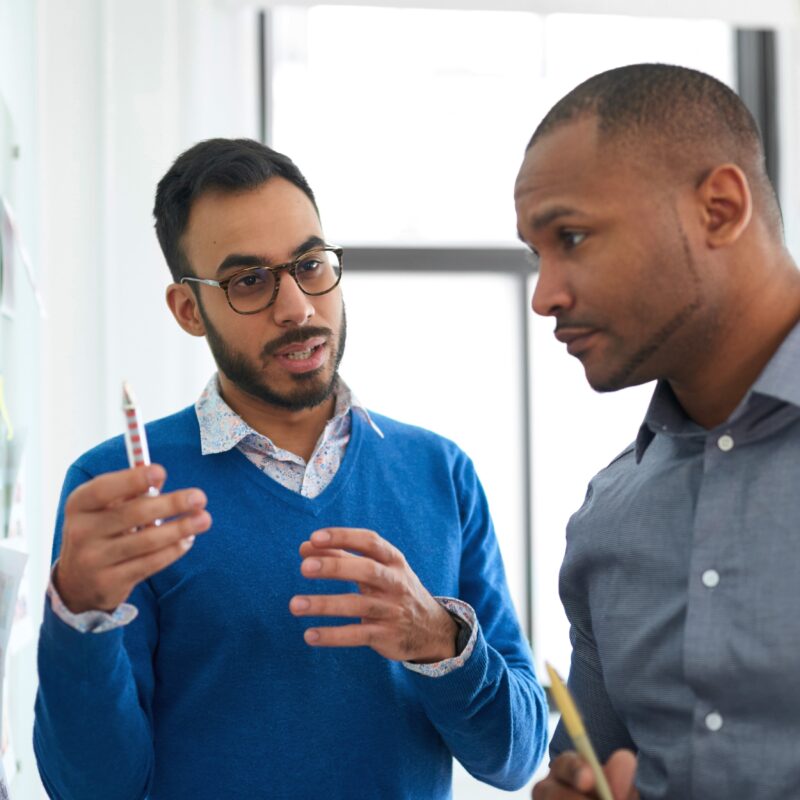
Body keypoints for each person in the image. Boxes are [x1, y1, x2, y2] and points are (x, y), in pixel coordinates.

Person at [34, 138, 548, 799]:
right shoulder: (120, 494)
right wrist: (79, 613)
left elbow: (517, 757)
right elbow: (94, 791)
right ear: (189, 310)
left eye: (310, 264)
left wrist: (437, 638)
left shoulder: (440, 473)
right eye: (249, 281)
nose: (298, 307)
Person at [516, 63, 800, 800]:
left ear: (719, 208)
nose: (545, 295)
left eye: (572, 236)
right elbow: (589, 765)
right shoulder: (607, 518)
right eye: (535, 254)